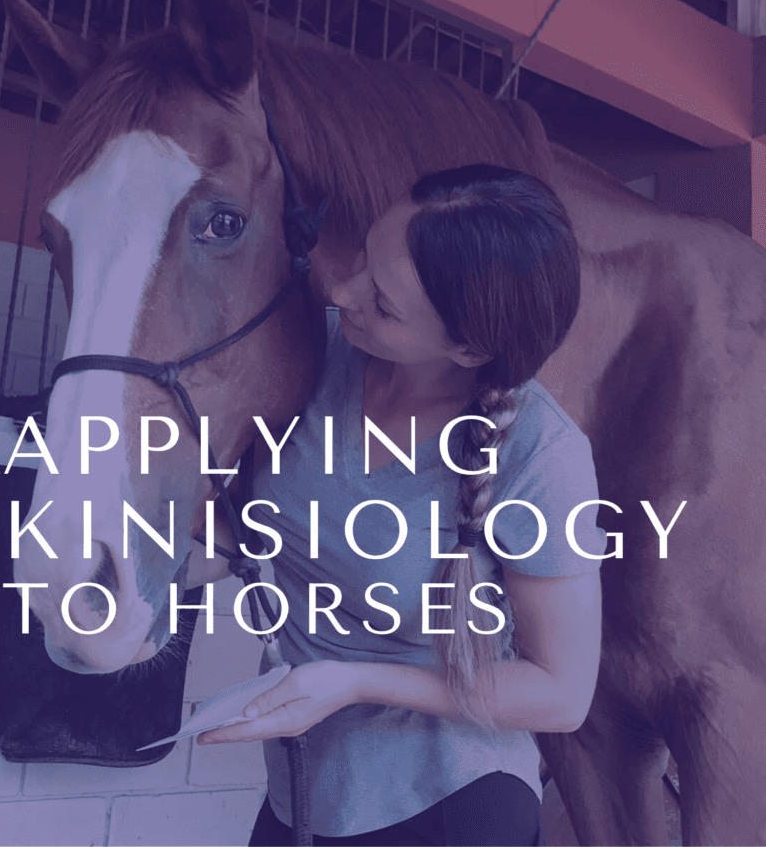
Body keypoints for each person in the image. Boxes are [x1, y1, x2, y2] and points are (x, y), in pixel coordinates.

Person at [197, 164, 606, 846]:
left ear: (468, 347)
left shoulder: (541, 453)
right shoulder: (313, 352)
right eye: (363, 257)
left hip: (452, 800)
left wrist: (357, 683)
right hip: (306, 787)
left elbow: (561, 694)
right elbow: (246, 531)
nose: (341, 291)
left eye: (383, 304)